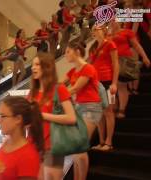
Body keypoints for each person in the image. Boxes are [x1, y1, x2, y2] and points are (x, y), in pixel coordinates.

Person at [29, 53, 76, 180]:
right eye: (33, 65)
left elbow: (71, 117)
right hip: (34, 144)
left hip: (53, 144)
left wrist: (43, 116)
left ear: (47, 67)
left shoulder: (59, 89)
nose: (33, 68)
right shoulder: (32, 92)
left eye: (37, 64)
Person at [63, 42, 103, 180]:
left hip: (91, 108)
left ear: (77, 52)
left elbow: (75, 89)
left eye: (68, 51)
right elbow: (60, 84)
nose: (65, 54)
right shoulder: (73, 71)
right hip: (79, 108)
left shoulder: (88, 68)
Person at [110, 20, 151, 119]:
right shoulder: (106, 34)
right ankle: (113, 106)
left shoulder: (127, 32)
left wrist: (144, 57)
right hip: (110, 63)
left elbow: (137, 46)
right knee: (110, 87)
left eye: (115, 21)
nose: (113, 23)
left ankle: (121, 109)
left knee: (121, 86)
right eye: (110, 21)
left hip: (124, 62)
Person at [90, 25, 119, 151]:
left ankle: (109, 142)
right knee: (99, 113)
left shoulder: (110, 44)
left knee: (108, 111)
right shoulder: (93, 47)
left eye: (97, 28)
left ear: (104, 30)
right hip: (96, 83)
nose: (95, 31)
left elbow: (116, 64)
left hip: (107, 81)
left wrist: (114, 83)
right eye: (93, 30)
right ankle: (101, 141)